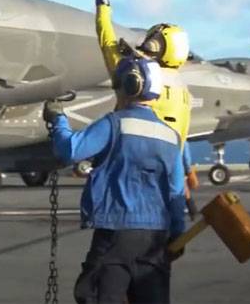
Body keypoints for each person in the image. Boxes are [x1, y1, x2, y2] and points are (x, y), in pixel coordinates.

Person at [44, 56, 186, 304]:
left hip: (116, 232)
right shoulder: (171, 136)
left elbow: (70, 150)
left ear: (130, 85)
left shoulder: (114, 125)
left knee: (94, 293)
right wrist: (178, 233)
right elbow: (176, 192)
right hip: (156, 237)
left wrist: (58, 119)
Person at [95, 0, 195, 219]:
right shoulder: (183, 90)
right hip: (165, 177)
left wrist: (102, 3)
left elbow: (107, 40)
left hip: (126, 173)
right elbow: (181, 139)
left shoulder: (137, 74)